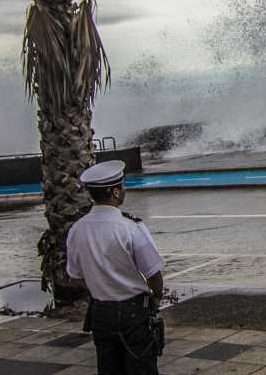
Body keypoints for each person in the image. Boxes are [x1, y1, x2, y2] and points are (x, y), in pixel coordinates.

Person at [66, 160, 166, 375]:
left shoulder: (77, 230)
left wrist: (100, 285)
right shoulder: (130, 228)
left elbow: (75, 277)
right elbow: (153, 274)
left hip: (100, 312)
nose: (124, 190)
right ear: (114, 193)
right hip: (134, 312)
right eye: (122, 186)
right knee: (142, 367)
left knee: (109, 368)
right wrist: (156, 298)